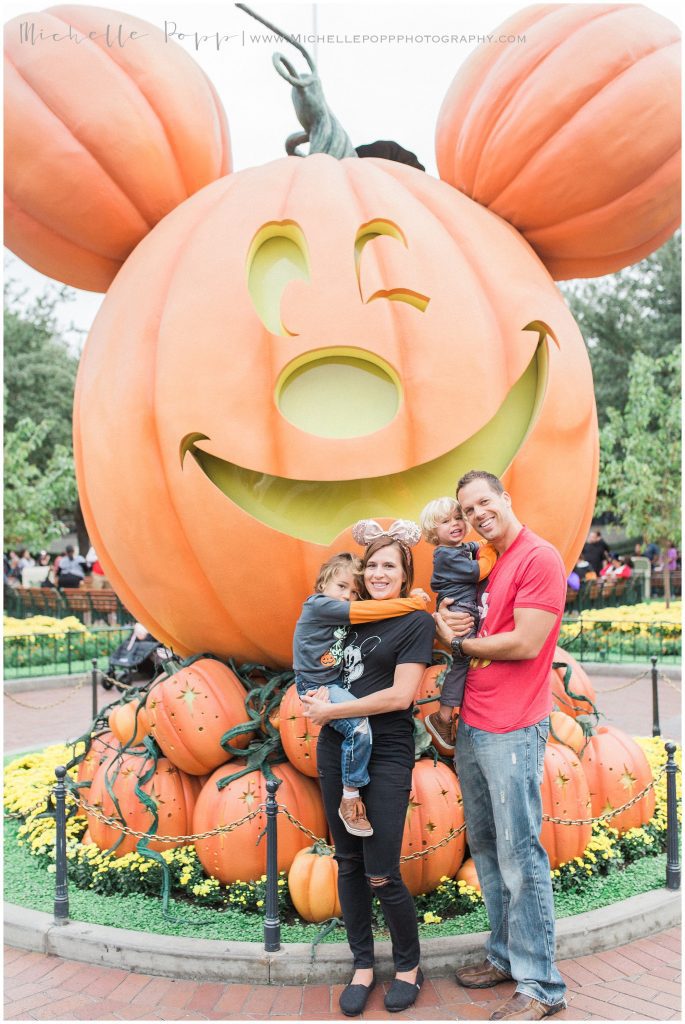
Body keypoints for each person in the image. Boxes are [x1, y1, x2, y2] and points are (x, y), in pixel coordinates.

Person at [434, 470, 567, 1021]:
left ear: (506, 500)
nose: (477, 514)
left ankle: (541, 986)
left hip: (514, 726)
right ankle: (506, 955)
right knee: (487, 850)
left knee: (520, 854)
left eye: (485, 503)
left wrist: (456, 639)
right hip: (477, 722)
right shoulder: (489, 565)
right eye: (467, 510)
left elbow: (527, 641)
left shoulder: (539, 558)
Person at [301, 519, 435, 1017]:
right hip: (337, 749)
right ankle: (362, 964)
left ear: (404, 574)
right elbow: (319, 660)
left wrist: (331, 710)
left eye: (389, 566)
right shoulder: (349, 618)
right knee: (349, 863)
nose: (379, 573)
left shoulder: (414, 622)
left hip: (386, 751)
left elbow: (401, 695)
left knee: (381, 870)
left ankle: (408, 966)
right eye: (372, 565)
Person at [293, 550, 427, 837]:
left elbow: (376, 609)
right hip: (317, 687)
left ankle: (352, 789)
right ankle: (351, 794)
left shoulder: (346, 610)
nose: (347, 597)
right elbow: (369, 610)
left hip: (332, 685)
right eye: (341, 587)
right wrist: (411, 602)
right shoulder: (318, 605)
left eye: (354, 592)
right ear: (322, 586)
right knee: (360, 728)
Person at [419, 496, 497, 756]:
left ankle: (455, 713)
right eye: (445, 521)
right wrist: (490, 550)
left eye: (458, 518)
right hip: (459, 609)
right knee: (465, 661)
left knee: (469, 662)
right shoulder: (444, 554)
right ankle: (442, 716)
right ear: (433, 532)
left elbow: (475, 546)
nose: (455, 524)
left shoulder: (458, 548)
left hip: (465, 606)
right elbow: (480, 570)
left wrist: (486, 542)